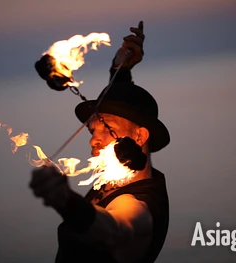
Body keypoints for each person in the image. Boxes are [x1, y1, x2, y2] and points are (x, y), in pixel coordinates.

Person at [30, 21, 170, 263]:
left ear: (140, 137)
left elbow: (116, 230)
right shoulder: (116, 179)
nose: (94, 139)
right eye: (92, 130)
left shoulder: (135, 205)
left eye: (107, 129)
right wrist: (120, 69)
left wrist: (66, 201)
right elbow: (123, 114)